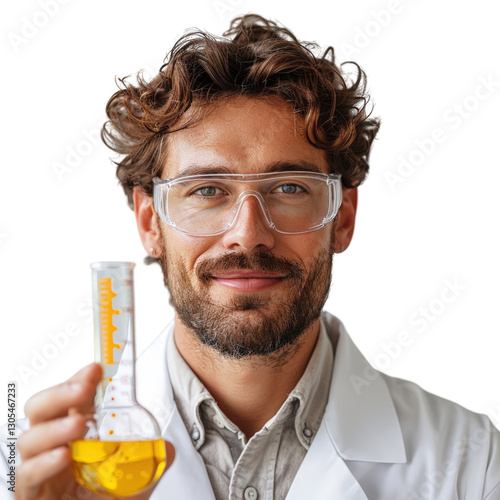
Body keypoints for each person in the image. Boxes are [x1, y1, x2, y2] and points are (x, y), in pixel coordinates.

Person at [2, 13, 500, 500]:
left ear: (342, 217)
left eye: (288, 187)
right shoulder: (24, 470)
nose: (248, 235)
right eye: (207, 190)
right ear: (150, 223)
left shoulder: (470, 464)